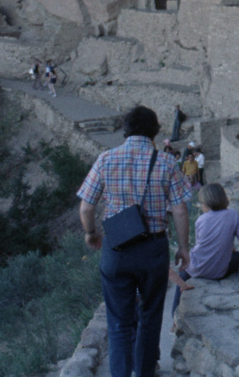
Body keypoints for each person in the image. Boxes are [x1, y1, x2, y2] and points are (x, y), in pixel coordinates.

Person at [78, 105, 192, 377]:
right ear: (154, 131)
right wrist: (184, 247)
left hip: (117, 250)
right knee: (151, 316)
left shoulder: (106, 159)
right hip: (153, 249)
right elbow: (179, 209)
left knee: (119, 322)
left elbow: (86, 207)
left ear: (125, 130)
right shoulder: (165, 162)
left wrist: (91, 233)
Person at [171, 183, 239, 318]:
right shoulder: (234, 215)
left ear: (207, 203)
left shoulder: (201, 220)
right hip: (218, 271)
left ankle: (174, 315)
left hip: (196, 268)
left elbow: (202, 245)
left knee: (182, 278)